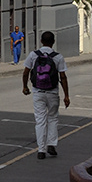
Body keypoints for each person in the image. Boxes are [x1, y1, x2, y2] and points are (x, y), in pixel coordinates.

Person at [22, 30, 70, 159]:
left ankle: (41, 150)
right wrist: (66, 95)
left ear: (41, 41)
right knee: (53, 118)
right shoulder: (58, 57)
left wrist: (25, 87)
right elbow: (63, 77)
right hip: (52, 92)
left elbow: (26, 72)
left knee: (40, 121)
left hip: (38, 92)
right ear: (53, 42)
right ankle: (51, 144)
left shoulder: (33, 55)